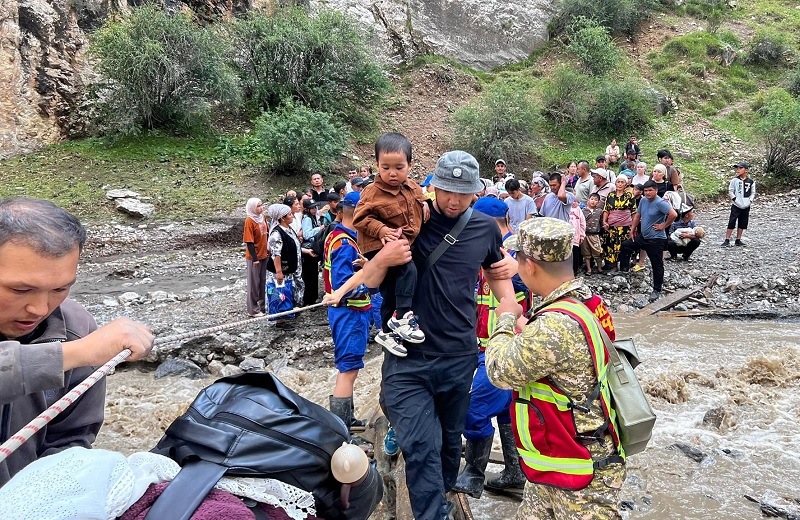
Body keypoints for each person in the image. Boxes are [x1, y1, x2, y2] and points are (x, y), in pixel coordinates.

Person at [328, 150, 517, 519]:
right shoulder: (410, 222)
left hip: (458, 356)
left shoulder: (482, 228)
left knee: (449, 442)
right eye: (447, 191)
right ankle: (434, 514)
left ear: (475, 193)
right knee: (420, 444)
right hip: (406, 358)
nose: (454, 200)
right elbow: (371, 280)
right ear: (433, 187)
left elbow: (497, 276)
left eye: (463, 193)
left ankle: (442, 496)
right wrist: (383, 258)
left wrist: (511, 311)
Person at [0, 197, 155, 487]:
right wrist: (74, 354)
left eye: (60, 288)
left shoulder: (76, 327)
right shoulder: (82, 346)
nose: (39, 308)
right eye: (20, 289)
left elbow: (71, 438)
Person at [484, 217, 624, 520]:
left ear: (530, 265)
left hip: (579, 467)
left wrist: (506, 317)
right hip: (562, 454)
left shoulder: (555, 324)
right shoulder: (587, 301)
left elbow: (498, 370)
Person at [452, 197, 528, 499]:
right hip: (484, 347)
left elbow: (526, 282)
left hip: (505, 349)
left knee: (473, 408)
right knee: (507, 411)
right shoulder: (482, 252)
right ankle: (515, 472)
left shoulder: (512, 256)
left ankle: (473, 472)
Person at [353, 132, 429, 357]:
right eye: (385, 167)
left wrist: (425, 203)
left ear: (410, 165)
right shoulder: (372, 191)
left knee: (391, 289)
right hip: (381, 243)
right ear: (376, 164)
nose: (392, 173)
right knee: (408, 270)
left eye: (399, 167)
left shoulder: (412, 186)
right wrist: (382, 230)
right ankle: (402, 316)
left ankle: (387, 332)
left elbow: (422, 197)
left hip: (403, 241)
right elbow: (359, 219)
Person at [323, 192, 372, 431]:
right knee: (348, 368)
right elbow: (342, 284)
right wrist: (372, 282)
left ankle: (347, 420)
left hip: (349, 312)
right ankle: (341, 427)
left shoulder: (340, 236)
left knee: (349, 366)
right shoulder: (344, 243)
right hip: (349, 312)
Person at [619, 180, 678, 302]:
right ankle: (624, 271)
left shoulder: (661, 203)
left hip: (656, 239)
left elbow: (673, 214)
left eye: (650, 190)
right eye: (645, 191)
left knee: (656, 264)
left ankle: (657, 289)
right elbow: (638, 215)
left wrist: (663, 225)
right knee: (626, 245)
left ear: (656, 190)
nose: (648, 193)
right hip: (643, 236)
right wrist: (632, 229)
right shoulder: (644, 200)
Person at [265, 204, 304, 329]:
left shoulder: (288, 229)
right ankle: (279, 320)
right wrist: (279, 271)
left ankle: (288, 312)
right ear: (282, 218)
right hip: (280, 270)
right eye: (289, 215)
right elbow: (276, 254)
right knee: (278, 292)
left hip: (290, 269)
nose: (292, 216)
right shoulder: (276, 234)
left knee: (286, 291)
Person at [601, 176, 637, 272]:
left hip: (625, 226)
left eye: (622, 182)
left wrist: (634, 227)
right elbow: (606, 209)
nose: (620, 184)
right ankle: (612, 265)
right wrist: (604, 221)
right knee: (611, 244)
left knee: (624, 246)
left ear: (626, 184)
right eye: (618, 182)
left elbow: (634, 212)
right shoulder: (610, 195)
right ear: (615, 183)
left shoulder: (629, 196)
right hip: (612, 226)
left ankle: (624, 266)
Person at [721, 161, 755, 247]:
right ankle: (727, 239)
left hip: (746, 205)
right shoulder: (734, 180)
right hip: (736, 205)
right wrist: (735, 199)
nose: (738, 170)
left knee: (743, 222)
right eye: (737, 168)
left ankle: (738, 239)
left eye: (740, 168)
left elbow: (753, 193)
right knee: (732, 221)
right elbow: (731, 191)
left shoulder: (751, 181)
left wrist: (750, 201)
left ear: (746, 170)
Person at [243, 198, 268, 317]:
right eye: (258, 206)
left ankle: (262, 306)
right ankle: (252, 309)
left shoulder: (263, 217)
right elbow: (249, 241)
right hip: (255, 256)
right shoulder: (249, 220)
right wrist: (255, 258)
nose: (261, 208)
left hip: (264, 254)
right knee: (254, 283)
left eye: (261, 205)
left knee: (263, 281)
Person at [300, 198, 324, 306]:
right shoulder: (307, 219)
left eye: (315, 207)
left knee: (314, 275)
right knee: (309, 276)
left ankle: (313, 298)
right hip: (308, 249)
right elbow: (306, 234)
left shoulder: (313, 217)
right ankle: (308, 300)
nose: (314, 210)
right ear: (306, 209)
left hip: (313, 248)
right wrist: (319, 228)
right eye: (311, 208)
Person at [581, 193, 604, 276]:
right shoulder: (583, 211)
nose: (593, 201)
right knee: (586, 253)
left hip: (595, 235)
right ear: (588, 200)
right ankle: (589, 269)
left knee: (597, 252)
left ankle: (599, 268)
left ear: (598, 202)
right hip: (585, 235)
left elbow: (602, 222)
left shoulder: (599, 211)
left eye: (595, 200)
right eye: (592, 199)